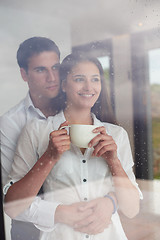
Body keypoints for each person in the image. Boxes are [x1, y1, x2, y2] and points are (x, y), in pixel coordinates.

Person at [4, 53, 142, 239]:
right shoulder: (36, 130)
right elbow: (13, 205)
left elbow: (132, 209)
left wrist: (114, 162)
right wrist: (50, 156)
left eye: (95, 80)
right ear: (63, 85)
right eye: (79, 79)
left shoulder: (116, 134)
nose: (88, 87)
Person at [0, 36, 61, 240]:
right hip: (30, 232)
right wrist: (65, 213)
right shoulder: (10, 122)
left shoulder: (76, 109)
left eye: (56, 67)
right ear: (24, 74)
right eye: (41, 70)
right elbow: (13, 199)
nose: (52, 77)